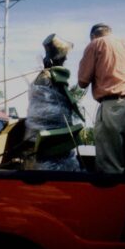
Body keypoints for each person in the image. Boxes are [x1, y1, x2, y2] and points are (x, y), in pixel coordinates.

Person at [78, 23, 125, 173]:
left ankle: (110, 196)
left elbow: (82, 81)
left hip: (114, 106)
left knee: (110, 164)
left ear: (93, 36)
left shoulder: (96, 43)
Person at [24, 33, 84, 171]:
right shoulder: (46, 78)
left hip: (58, 143)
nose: (66, 59)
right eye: (63, 57)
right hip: (44, 144)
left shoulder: (57, 79)